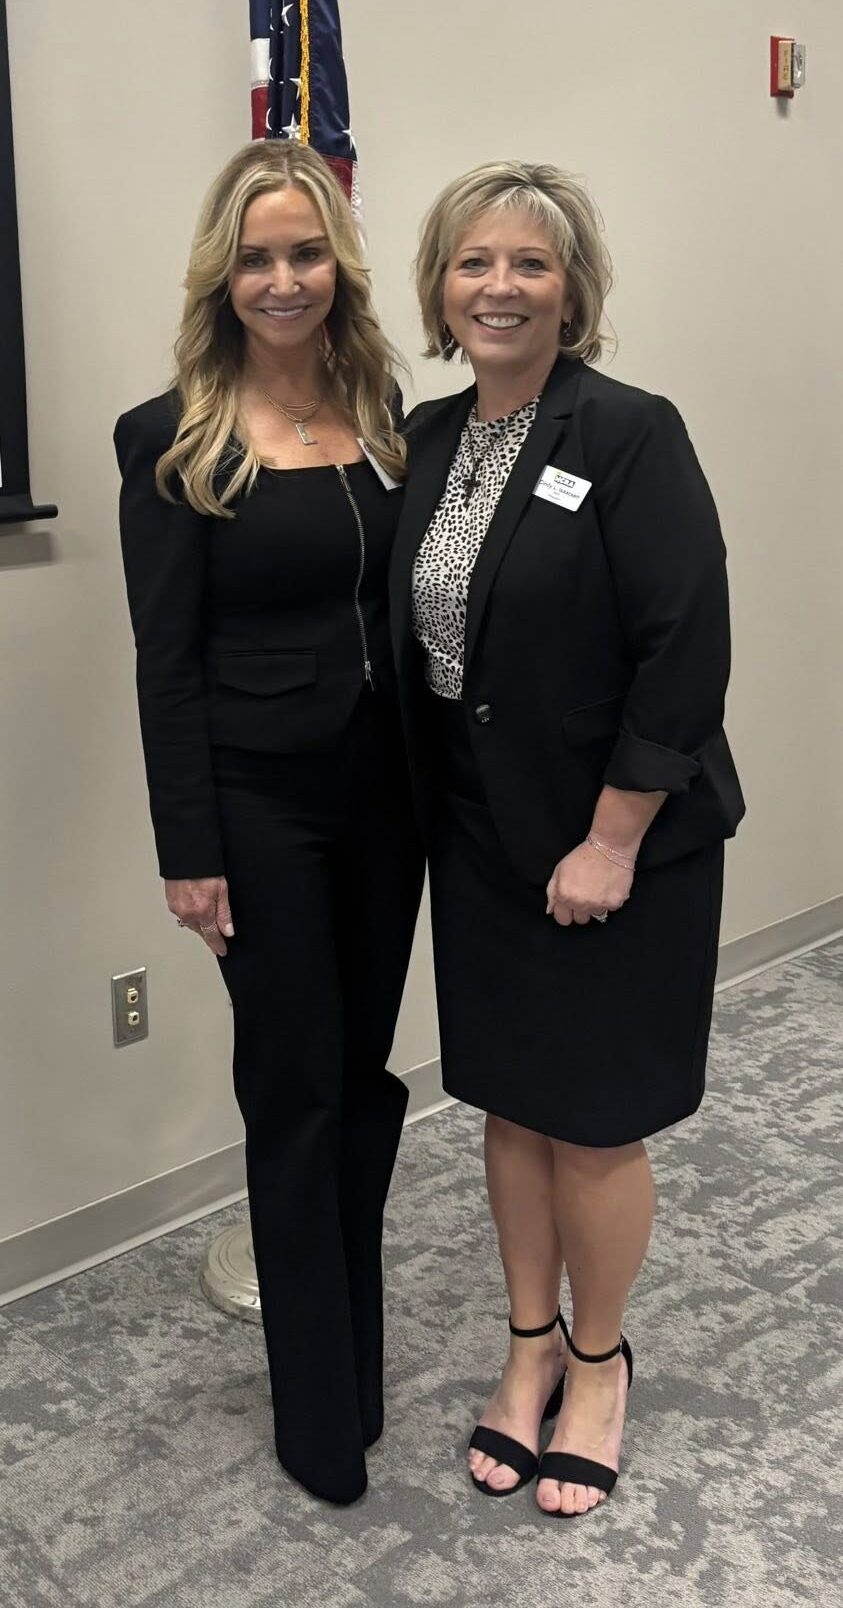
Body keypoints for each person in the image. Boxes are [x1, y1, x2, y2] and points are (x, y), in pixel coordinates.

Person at [390, 160, 745, 1518]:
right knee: (511, 1105)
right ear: (439, 286)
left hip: (616, 845)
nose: (499, 286)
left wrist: (609, 838)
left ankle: (598, 1363)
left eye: (528, 264)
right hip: (481, 843)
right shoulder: (427, 438)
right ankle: (526, 1343)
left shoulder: (630, 432)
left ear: (571, 287)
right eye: (474, 263)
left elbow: (683, 647)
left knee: (593, 1124)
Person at [114, 140, 423, 1506]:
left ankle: (351, 1353)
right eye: (255, 257)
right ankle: (318, 1413)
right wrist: (189, 849)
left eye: (305, 253)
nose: (282, 278)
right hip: (259, 812)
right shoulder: (171, 436)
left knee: (364, 1082)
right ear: (220, 276)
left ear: (337, 267)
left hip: (388, 806)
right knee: (294, 1094)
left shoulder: (385, 408)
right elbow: (164, 660)